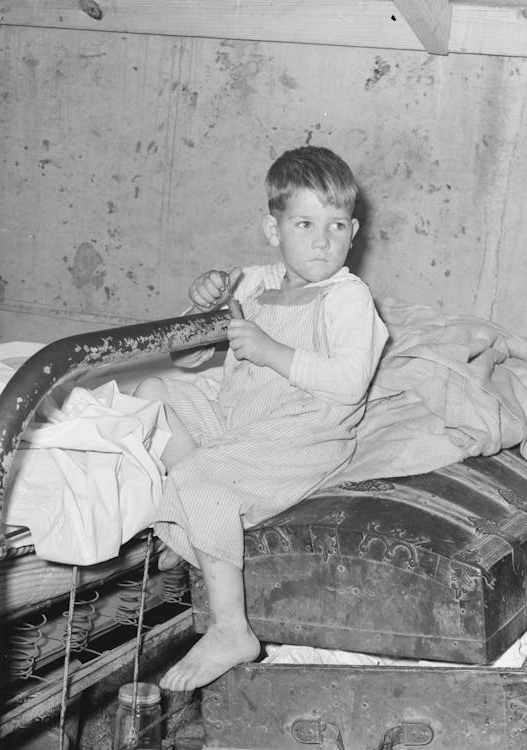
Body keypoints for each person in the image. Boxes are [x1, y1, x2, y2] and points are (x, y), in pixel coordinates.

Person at [135, 145, 388, 691]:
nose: (322, 240)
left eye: (336, 225)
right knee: (150, 395)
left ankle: (231, 628)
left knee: (197, 477)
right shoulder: (252, 283)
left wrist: (272, 351)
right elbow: (186, 359)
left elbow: (350, 381)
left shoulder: (348, 298)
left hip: (306, 431)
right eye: (304, 224)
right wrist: (201, 308)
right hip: (242, 418)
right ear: (273, 230)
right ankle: (202, 517)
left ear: (353, 232)